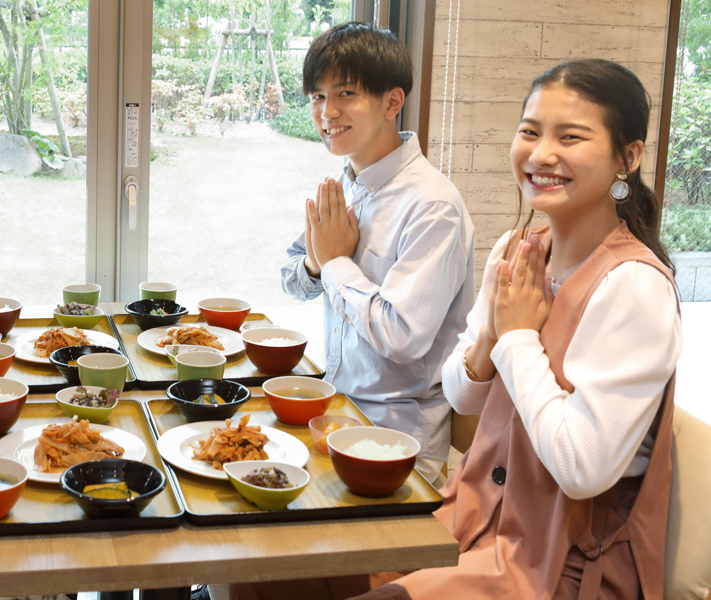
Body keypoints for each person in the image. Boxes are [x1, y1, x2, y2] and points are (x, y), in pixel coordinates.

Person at [355, 58, 683, 600]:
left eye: (570, 137)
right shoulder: (519, 251)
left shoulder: (635, 286)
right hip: (470, 522)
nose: (541, 154)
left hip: (560, 568)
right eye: (530, 132)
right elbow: (462, 395)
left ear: (629, 157)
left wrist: (516, 338)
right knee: (276, 572)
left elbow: (581, 467)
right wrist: (491, 336)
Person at [280, 22, 475, 483]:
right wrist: (316, 264)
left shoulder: (432, 205)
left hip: (397, 445)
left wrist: (335, 264)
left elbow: (402, 337)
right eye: (317, 96)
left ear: (392, 102)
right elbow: (292, 279)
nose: (327, 111)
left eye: (346, 93)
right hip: (336, 412)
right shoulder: (349, 184)